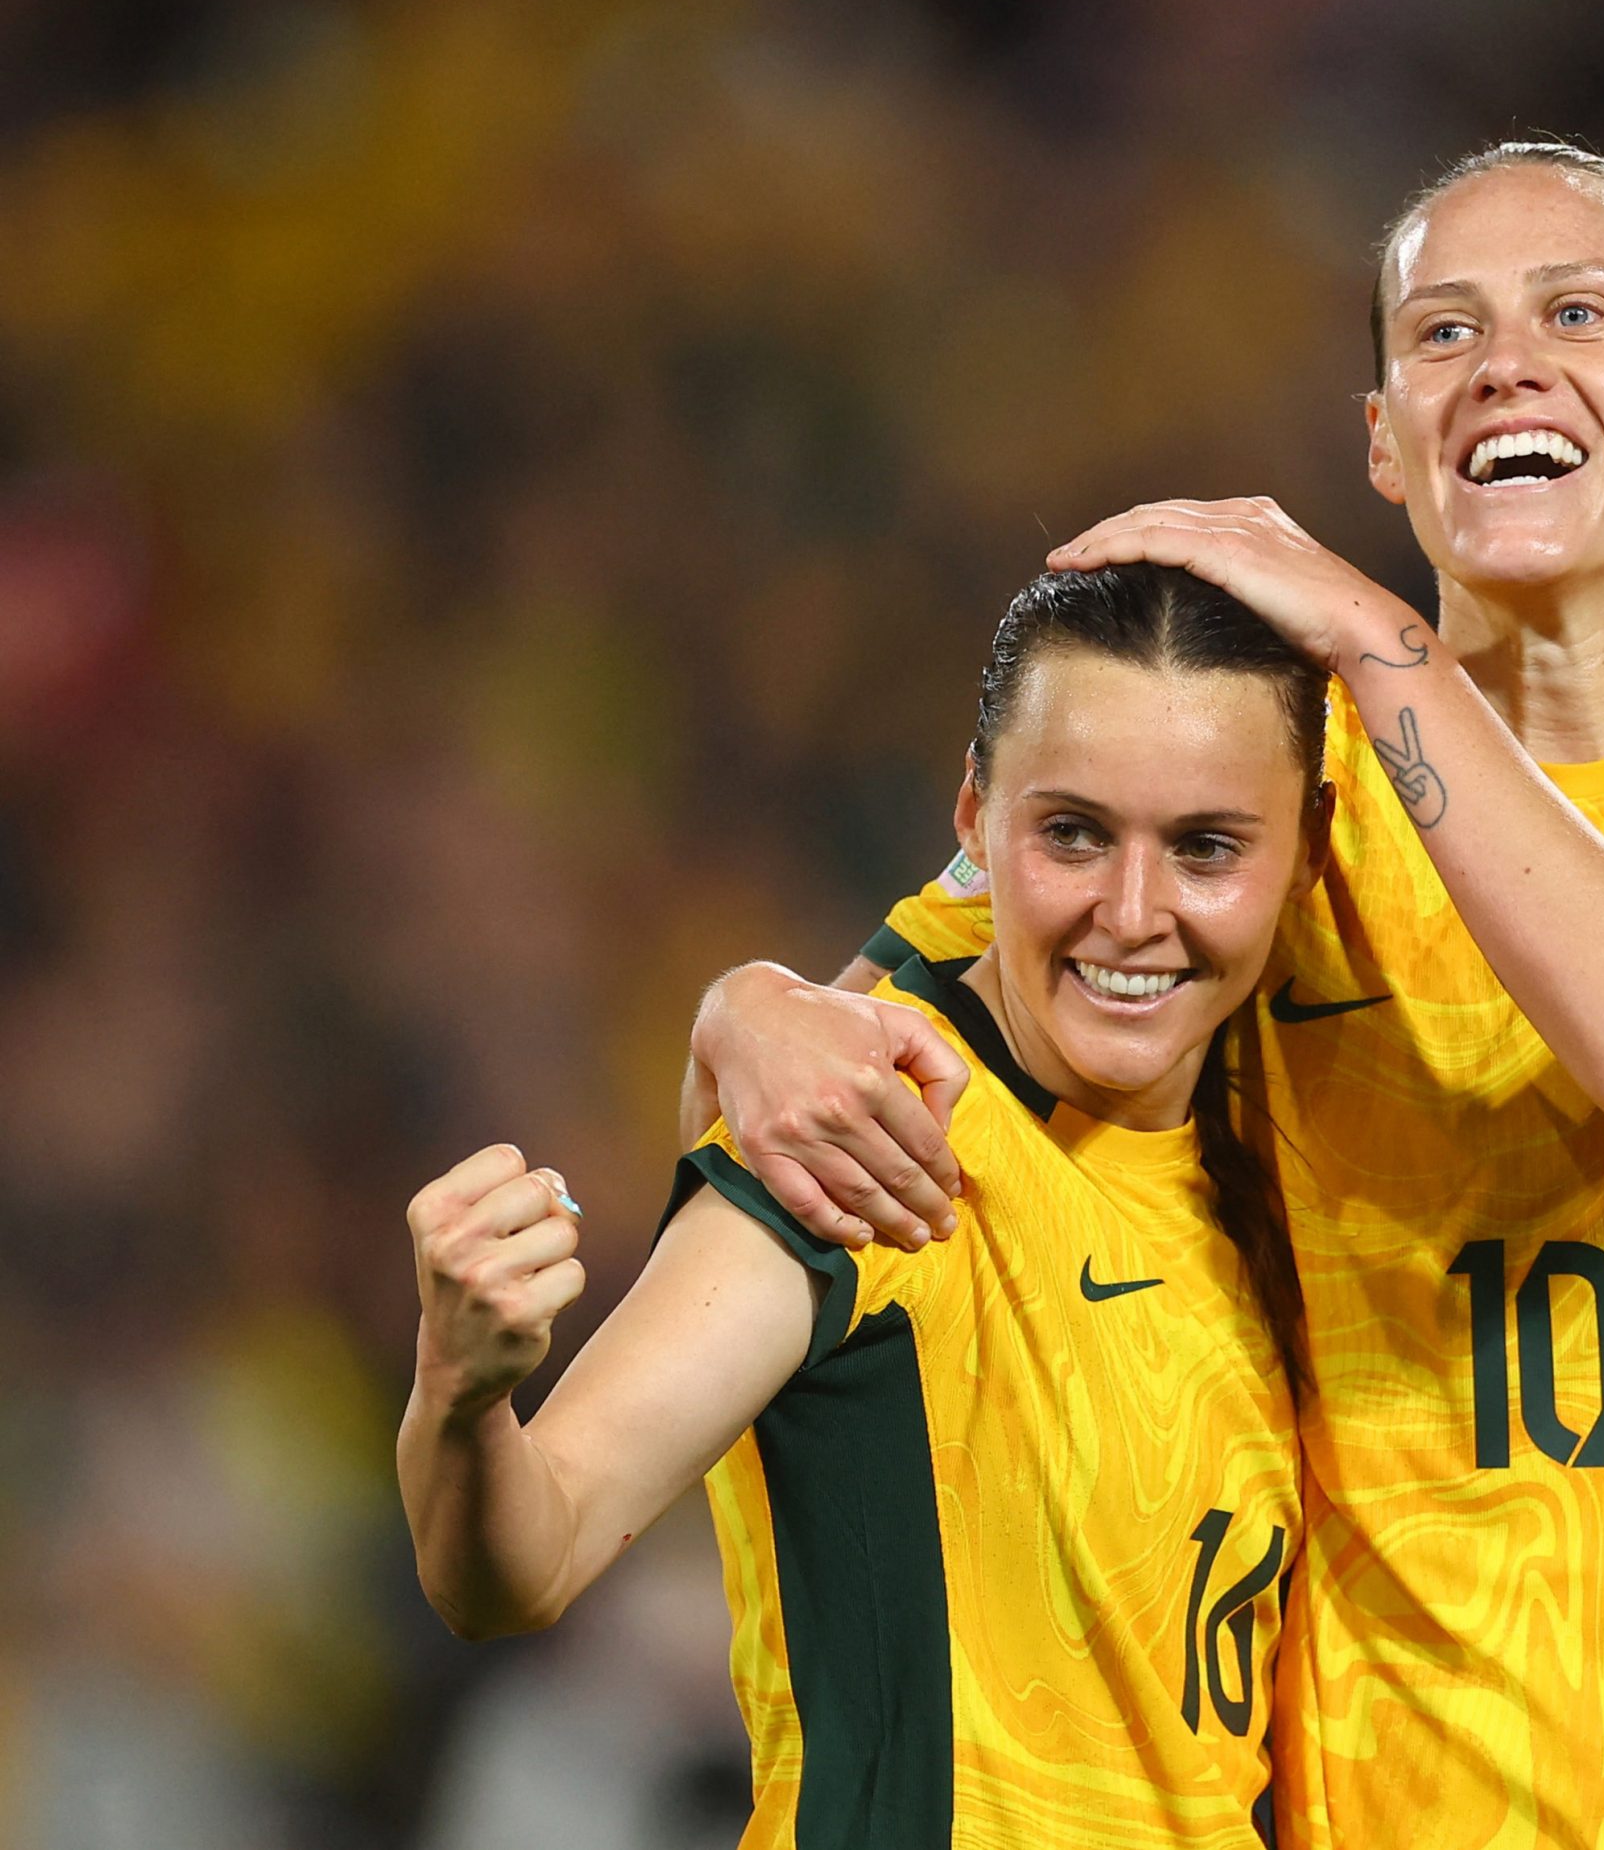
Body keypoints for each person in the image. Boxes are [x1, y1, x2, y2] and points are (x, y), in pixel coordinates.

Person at [694, 142, 1604, 1847]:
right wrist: (745, 1003)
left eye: (1576, 310)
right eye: (1442, 332)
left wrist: (1362, 629)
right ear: (1385, 441)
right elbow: (876, 1034)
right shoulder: (1263, 798)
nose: (1507, 364)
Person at [399, 566, 1332, 1848]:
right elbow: (526, 1554)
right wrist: (460, 1390)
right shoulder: (861, 1145)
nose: (1132, 910)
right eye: (1071, 832)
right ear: (975, 816)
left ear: (1309, 851)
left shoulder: (1277, 1205)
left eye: (1205, 847)